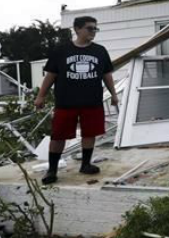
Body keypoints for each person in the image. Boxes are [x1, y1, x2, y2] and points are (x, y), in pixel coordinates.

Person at [35, 16, 118, 184]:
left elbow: (107, 75)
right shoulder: (61, 50)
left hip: (92, 101)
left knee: (90, 133)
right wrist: (41, 95)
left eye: (95, 28)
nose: (93, 32)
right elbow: (51, 75)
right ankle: (52, 170)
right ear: (77, 29)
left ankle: (86, 164)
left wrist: (114, 95)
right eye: (89, 28)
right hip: (66, 102)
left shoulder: (100, 51)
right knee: (58, 136)